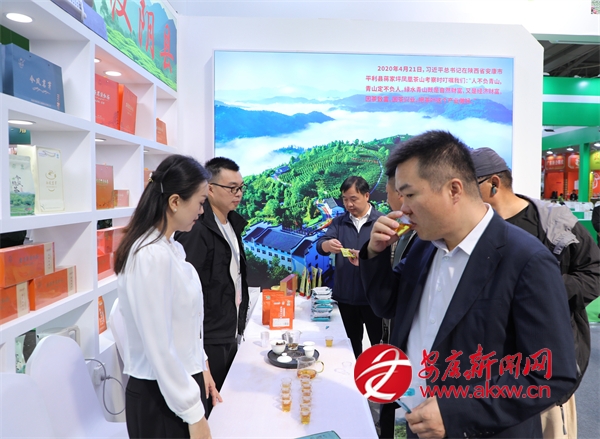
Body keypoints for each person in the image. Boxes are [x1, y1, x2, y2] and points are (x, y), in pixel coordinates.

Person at [360, 131, 578, 439]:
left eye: (409, 195)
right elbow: (388, 305)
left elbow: (551, 375)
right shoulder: (424, 245)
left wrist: (456, 413)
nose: (402, 208)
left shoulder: (526, 260)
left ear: (454, 189)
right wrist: (375, 254)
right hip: (418, 423)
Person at [471, 147, 600, 439]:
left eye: (469, 186)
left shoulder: (553, 222)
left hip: (543, 366)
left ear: (493, 183)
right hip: (486, 367)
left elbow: (594, 272)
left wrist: (543, 289)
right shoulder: (472, 229)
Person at [114, 154, 221, 439]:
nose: (202, 211)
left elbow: (183, 326)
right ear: (175, 201)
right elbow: (159, 347)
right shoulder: (149, 255)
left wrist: (201, 365)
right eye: (200, 202)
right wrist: (193, 413)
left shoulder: (170, 248)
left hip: (178, 387)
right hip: (161, 398)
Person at [175, 157, 249, 407]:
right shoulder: (197, 229)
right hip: (208, 337)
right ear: (210, 188)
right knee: (211, 407)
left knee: (226, 405)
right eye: (232, 188)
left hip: (228, 330)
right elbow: (185, 293)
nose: (238, 194)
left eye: (241, 187)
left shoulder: (231, 223)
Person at [317, 176, 383, 358]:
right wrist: (327, 245)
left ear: (367, 196)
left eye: (353, 199)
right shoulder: (339, 222)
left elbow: (390, 259)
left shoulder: (381, 222)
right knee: (349, 349)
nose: (348, 204)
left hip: (373, 300)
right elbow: (320, 245)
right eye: (345, 199)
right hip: (345, 298)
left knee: (379, 348)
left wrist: (367, 259)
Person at [379, 171, 417, 439]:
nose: (387, 200)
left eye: (388, 193)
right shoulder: (402, 230)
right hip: (393, 324)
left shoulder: (424, 238)